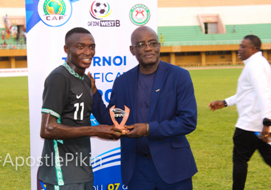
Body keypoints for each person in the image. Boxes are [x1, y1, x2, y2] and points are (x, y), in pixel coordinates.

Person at [89, 26, 197, 189]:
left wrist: (148, 129)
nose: (148, 48)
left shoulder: (179, 76)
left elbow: (188, 121)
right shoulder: (122, 82)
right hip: (137, 168)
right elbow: (112, 121)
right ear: (132, 50)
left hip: (173, 166)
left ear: (159, 46)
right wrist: (94, 92)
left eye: (152, 43)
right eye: (141, 44)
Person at [38, 27, 121, 190]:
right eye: (80, 46)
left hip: (83, 168)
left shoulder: (85, 80)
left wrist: (110, 132)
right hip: (62, 173)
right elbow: (47, 129)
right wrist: (95, 130)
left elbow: (78, 121)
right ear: (66, 49)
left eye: (91, 47)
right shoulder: (59, 77)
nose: (88, 52)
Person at [209, 35, 271, 190]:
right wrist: (224, 103)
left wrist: (267, 123)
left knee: (240, 161)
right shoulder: (259, 63)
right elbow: (248, 92)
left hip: (250, 126)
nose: (239, 49)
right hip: (259, 126)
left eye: (243, 46)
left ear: (253, 49)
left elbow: (264, 93)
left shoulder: (254, 66)